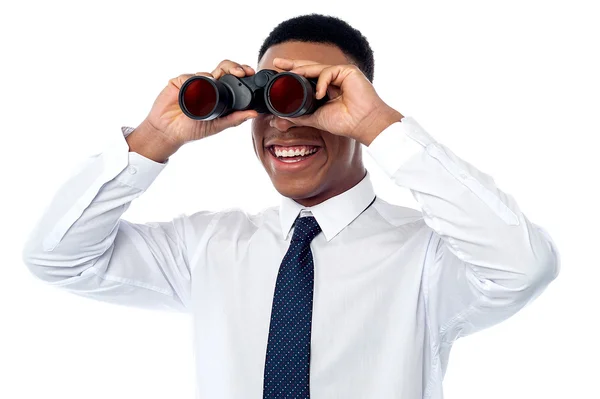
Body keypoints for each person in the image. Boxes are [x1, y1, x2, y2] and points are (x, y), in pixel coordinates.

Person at [22, 13, 560, 399]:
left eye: (307, 97)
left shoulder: (428, 257)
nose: (284, 121)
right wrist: (155, 136)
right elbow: (57, 257)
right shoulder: (208, 247)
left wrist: (381, 128)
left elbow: (523, 266)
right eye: (268, 101)